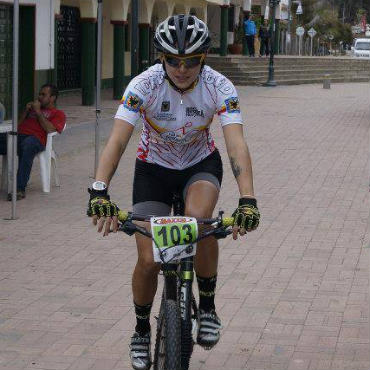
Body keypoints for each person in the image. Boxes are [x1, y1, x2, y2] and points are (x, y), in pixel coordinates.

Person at [87, 14, 260, 370]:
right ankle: (140, 330)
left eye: (191, 61)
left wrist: (248, 199)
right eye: (173, 60)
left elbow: (236, 144)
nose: (182, 69)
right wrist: (99, 191)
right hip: (153, 169)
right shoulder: (143, 85)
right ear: (161, 58)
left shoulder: (220, 86)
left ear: (204, 58)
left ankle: (207, 306)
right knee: (149, 258)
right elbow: (118, 140)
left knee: (201, 223)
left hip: (200, 164)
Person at [0, 84, 66, 200]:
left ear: (52, 98)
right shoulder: (31, 111)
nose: (40, 97)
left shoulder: (58, 113)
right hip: (17, 137)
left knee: (28, 145)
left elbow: (50, 129)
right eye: (39, 94)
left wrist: (38, 112)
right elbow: (16, 126)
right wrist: (25, 112)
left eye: (43, 95)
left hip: (36, 140)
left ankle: (19, 189)